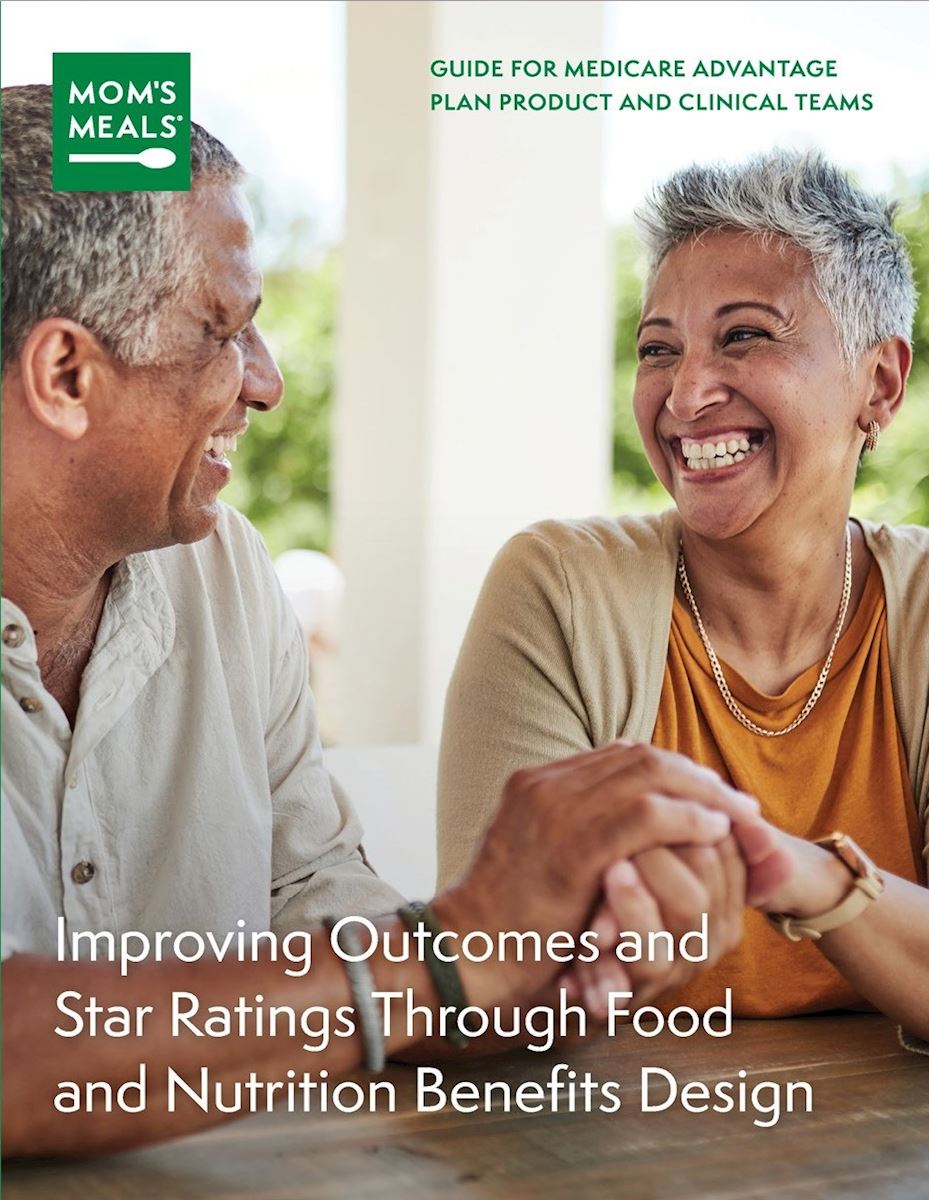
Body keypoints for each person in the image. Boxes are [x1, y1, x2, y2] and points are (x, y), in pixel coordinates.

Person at [1, 86, 791, 1158]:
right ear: (64, 374)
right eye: (225, 331)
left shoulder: (225, 575)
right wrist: (453, 949)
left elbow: (329, 928)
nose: (267, 384)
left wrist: (546, 966)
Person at [437, 152, 929, 1049]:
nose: (686, 394)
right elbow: (490, 984)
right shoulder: (557, 588)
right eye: (658, 349)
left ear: (880, 384)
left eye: (743, 336)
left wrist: (803, 876)